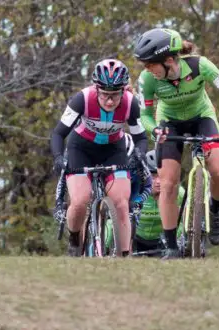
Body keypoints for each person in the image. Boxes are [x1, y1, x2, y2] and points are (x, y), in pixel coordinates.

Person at [133, 28, 219, 259]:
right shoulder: (147, 80)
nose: (147, 70)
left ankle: (215, 211)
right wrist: (154, 129)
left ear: (168, 60)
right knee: (168, 184)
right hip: (169, 123)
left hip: (202, 118)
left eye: (150, 65)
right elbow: (144, 115)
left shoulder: (200, 66)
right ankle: (172, 246)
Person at [51, 59, 149, 257]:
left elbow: (141, 138)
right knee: (79, 200)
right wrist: (59, 157)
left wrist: (138, 154)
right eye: (105, 95)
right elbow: (58, 134)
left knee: (121, 203)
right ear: (97, 89)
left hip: (113, 151)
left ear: (124, 90)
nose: (110, 101)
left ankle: (123, 256)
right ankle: (74, 238)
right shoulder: (82, 99)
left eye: (115, 95)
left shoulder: (131, 104)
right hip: (81, 150)